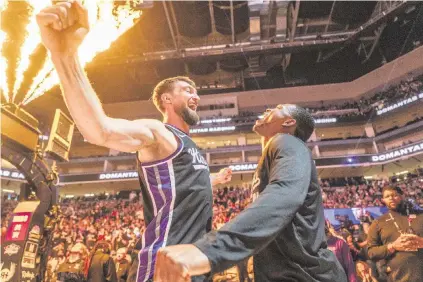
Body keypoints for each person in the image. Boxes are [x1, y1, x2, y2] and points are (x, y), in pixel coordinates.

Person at [36, 2, 232, 281]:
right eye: (188, 90)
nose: (196, 96)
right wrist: (64, 57)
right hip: (164, 265)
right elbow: (100, 131)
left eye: (196, 91)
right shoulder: (158, 133)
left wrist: (214, 180)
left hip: (194, 264)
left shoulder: (190, 147)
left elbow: (183, 187)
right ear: (166, 99)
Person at [154, 105, 347, 282]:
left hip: (308, 275)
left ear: (288, 122)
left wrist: (209, 250)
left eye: (278, 108)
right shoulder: (273, 155)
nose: (268, 109)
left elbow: (285, 194)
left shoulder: (286, 141)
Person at [367, 186, 423, 282]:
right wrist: (393, 246)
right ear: (383, 200)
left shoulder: (420, 215)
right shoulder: (378, 222)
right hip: (398, 277)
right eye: (387, 196)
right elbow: (371, 252)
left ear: (402, 196)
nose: (391, 198)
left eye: (394, 195)